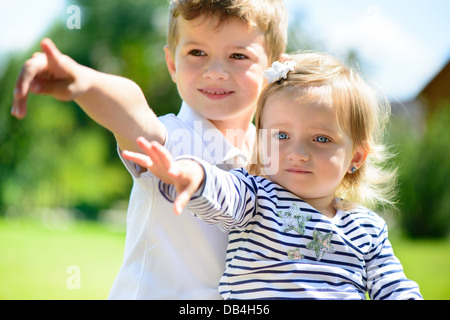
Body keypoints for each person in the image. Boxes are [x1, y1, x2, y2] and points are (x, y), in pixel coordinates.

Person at [11, 0, 288, 299]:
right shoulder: (171, 139)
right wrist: (84, 81)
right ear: (172, 64)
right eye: (197, 52)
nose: (216, 71)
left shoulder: (275, 155)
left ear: (275, 69)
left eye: (237, 55)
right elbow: (132, 109)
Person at [123, 52, 423, 299]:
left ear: (355, 157)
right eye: (281, 135)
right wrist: (193, 175)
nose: (297, 153)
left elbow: (395, 288)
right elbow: (222, 190)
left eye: (321, 139)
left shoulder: (367, 229)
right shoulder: (257, 197)